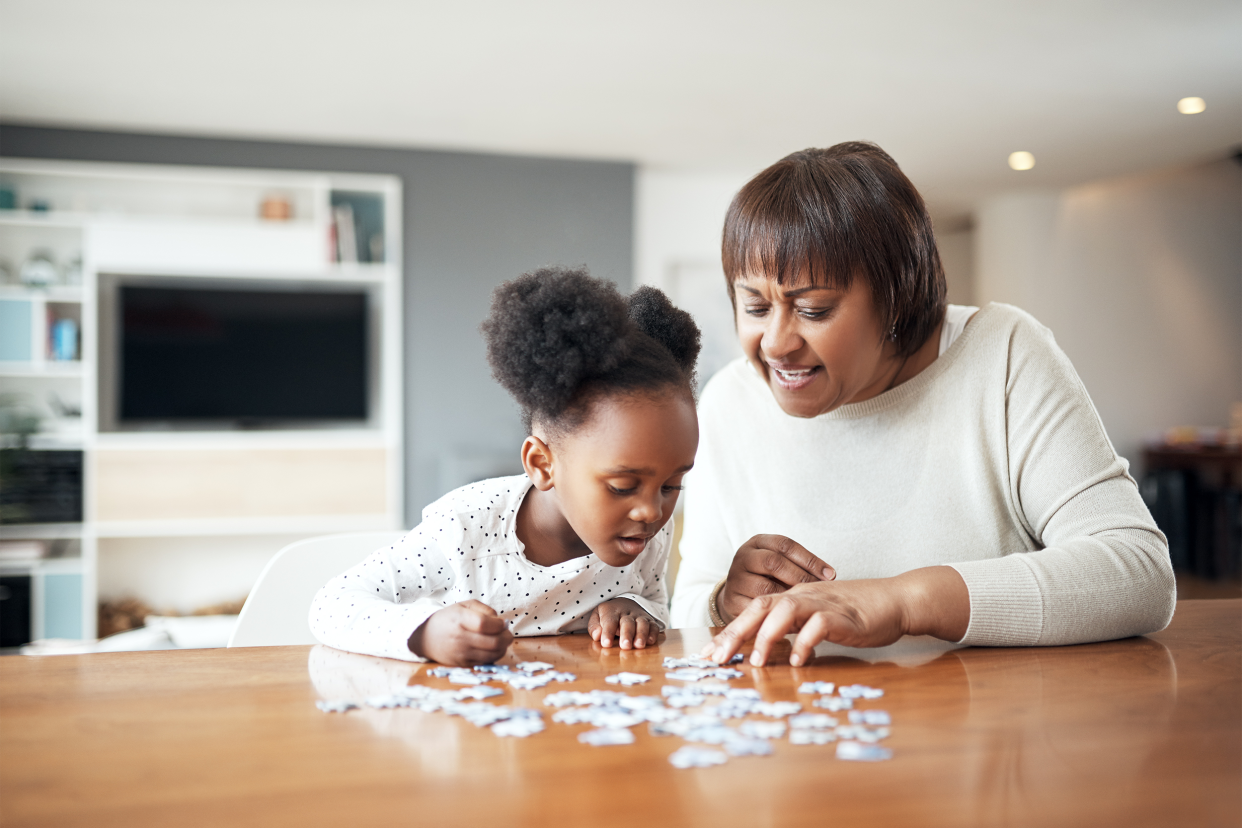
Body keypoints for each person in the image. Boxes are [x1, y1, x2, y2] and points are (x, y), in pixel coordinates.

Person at [670, 142, 1175, 667]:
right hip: (797, 737)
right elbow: (686, 608)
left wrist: (903, 600)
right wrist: (723, 602)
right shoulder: (728, 403)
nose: (774, 343)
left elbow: (1137, 573)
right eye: (754, 306)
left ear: (896, 295)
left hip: (987, 734)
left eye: (813, 309)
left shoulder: (1003, 355)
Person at [310, 267, 701, 666]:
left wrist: (637, 610)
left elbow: (655, 602)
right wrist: (425, 632)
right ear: (542, 464)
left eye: (672, 485)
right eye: (622, 486)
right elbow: (332, 605)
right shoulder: (465, 527)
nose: (652, 510)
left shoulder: (647, 530)